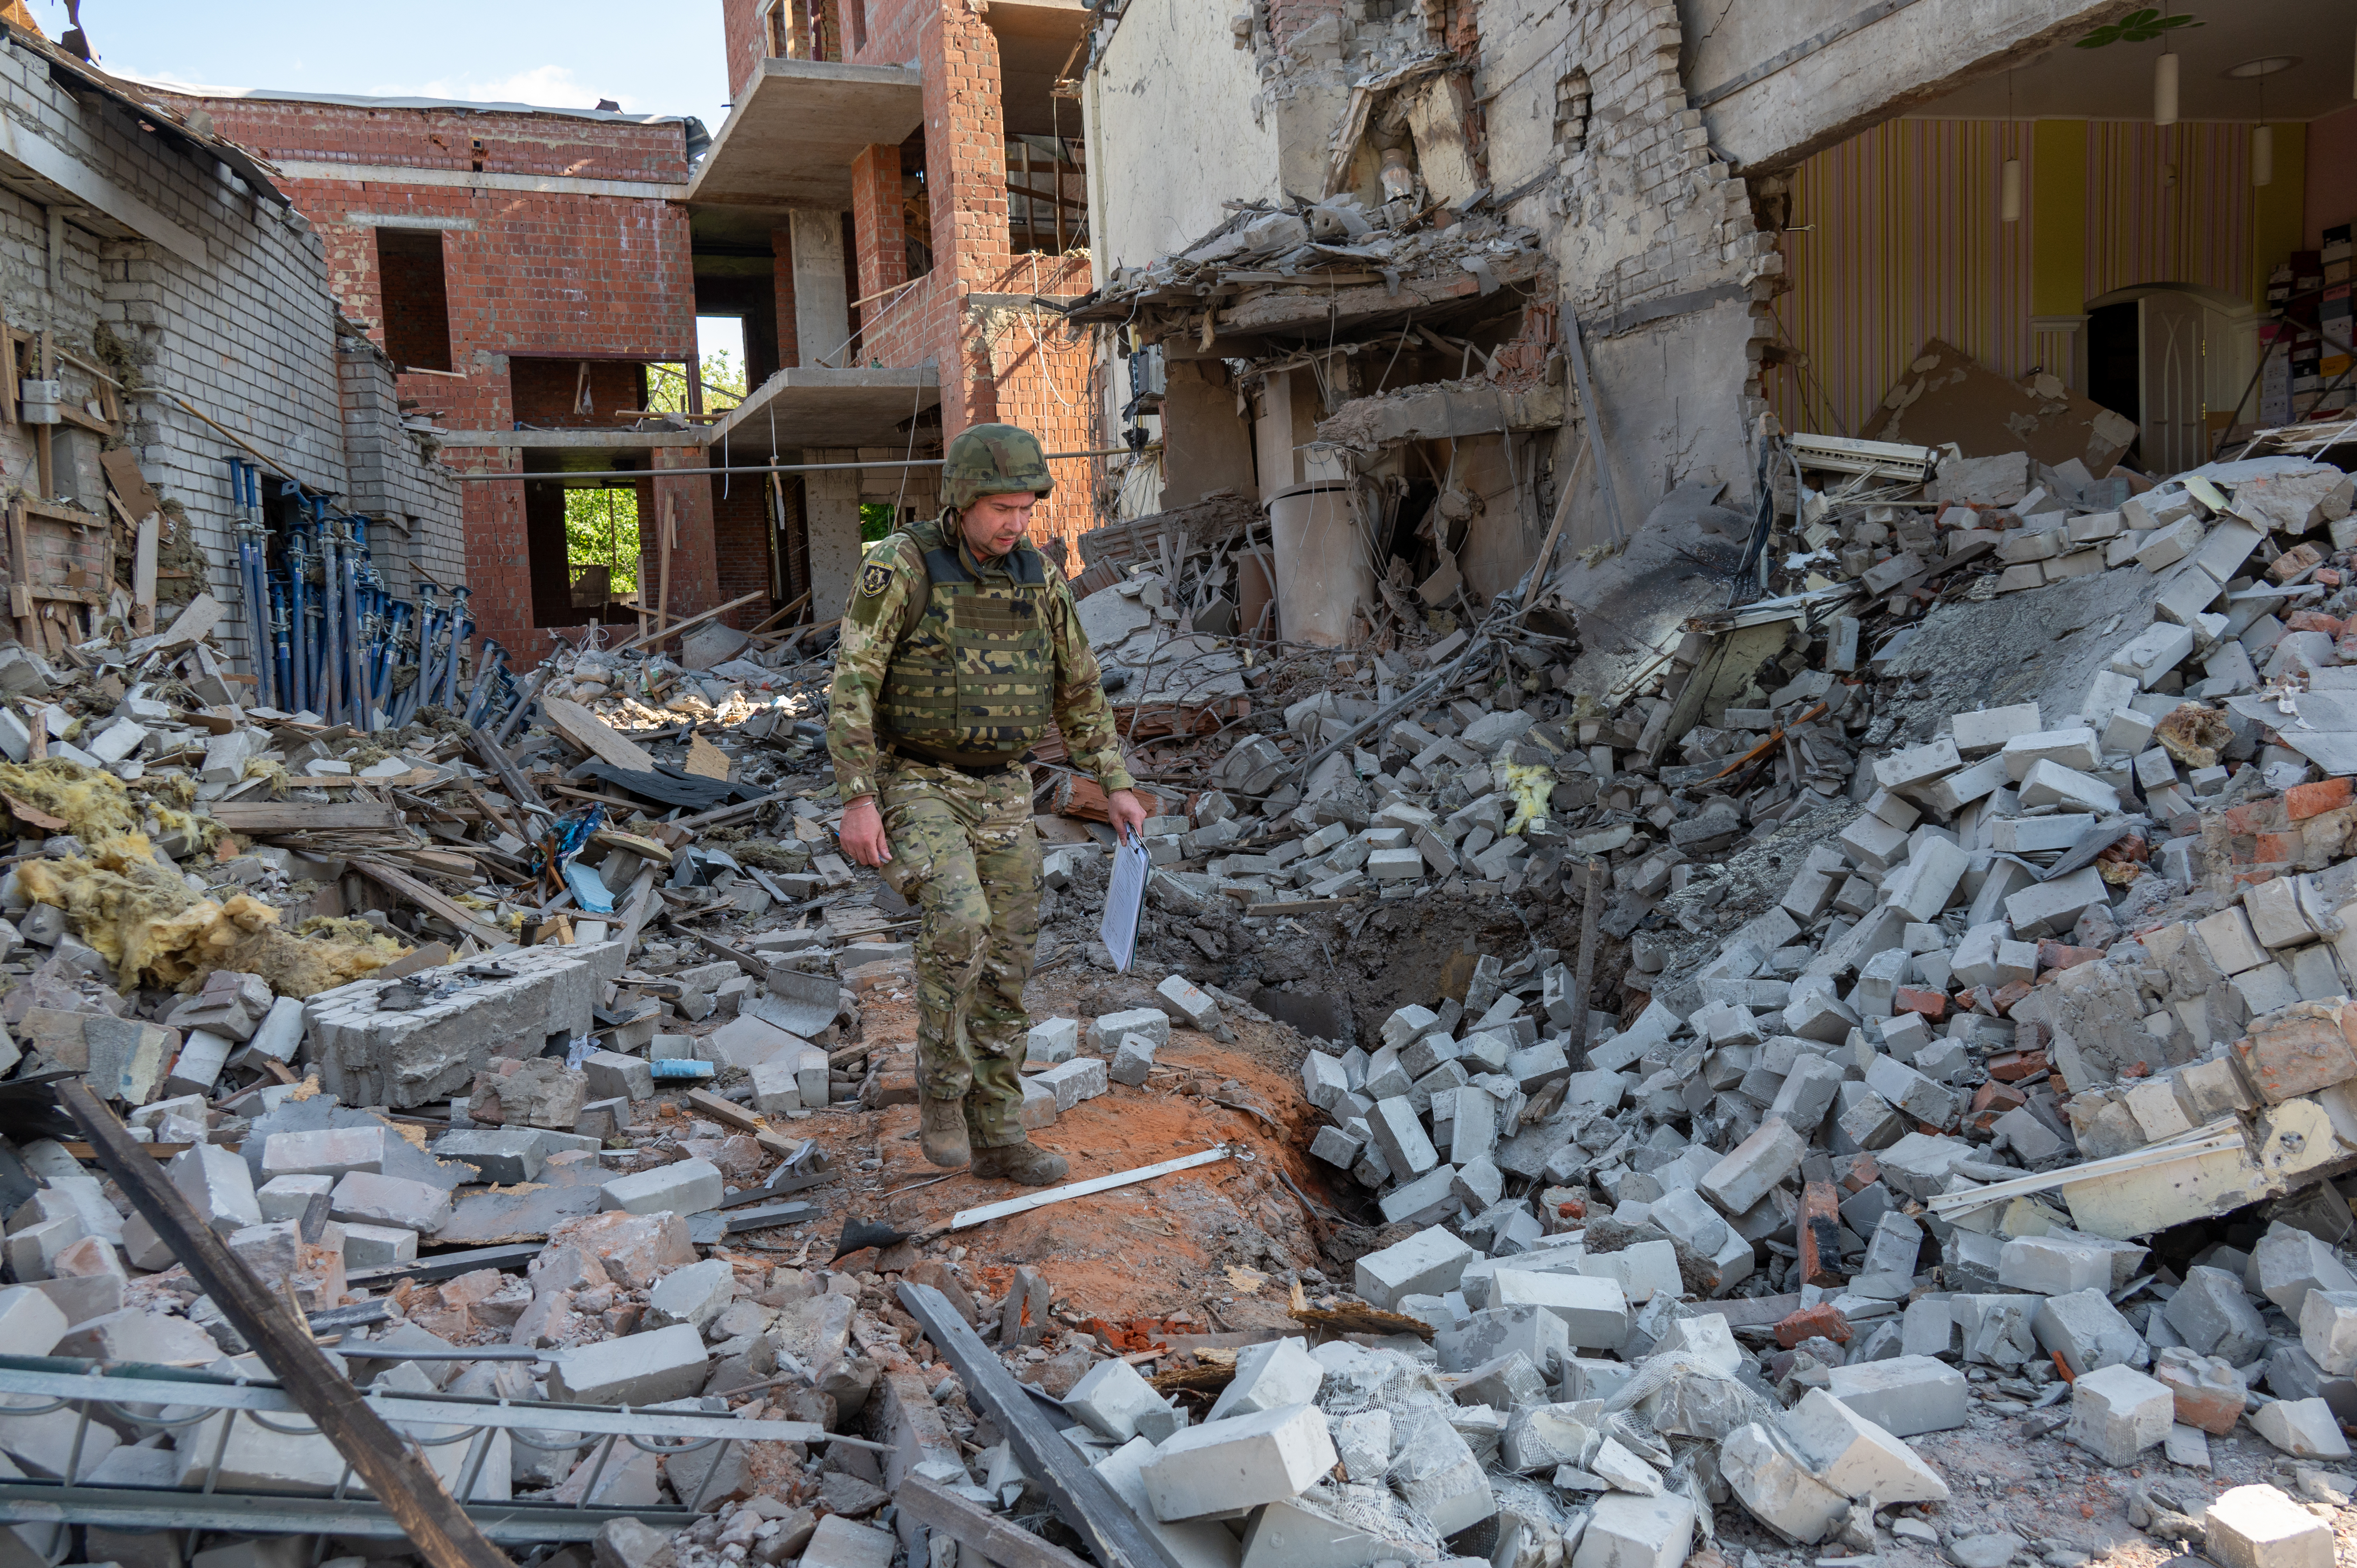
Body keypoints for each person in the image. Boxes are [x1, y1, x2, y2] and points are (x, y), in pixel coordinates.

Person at [825, 423, 1148, 1183]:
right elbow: (853, 682)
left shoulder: (1038, 579)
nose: (1016, 523)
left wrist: (1118, 783)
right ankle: (941, 1088)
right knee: (960, 921)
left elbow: (1079, 689)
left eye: (1027, 509)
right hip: (917, 776)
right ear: (963, 499)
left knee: (1008, 959)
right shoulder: (900, 566)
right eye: (1002, 508)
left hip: (1003, 783)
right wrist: (857, 798)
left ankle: (999, 1133)